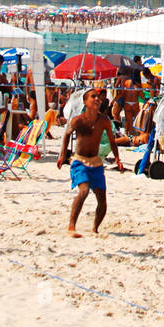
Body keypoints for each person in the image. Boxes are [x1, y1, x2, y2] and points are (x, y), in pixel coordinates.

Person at [57, 88, 121, 238]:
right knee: (84, 191)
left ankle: (95, 229)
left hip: (96, 162)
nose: (97, 99)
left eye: (98, 97)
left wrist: (118, 158)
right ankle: (71, 226)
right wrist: (62, 155)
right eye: (93, 97)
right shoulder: (78, 120)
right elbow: (66, 136)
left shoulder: (104, 121)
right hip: (79, 160)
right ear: (85, 102)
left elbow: (112, 141)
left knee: (102, 199)